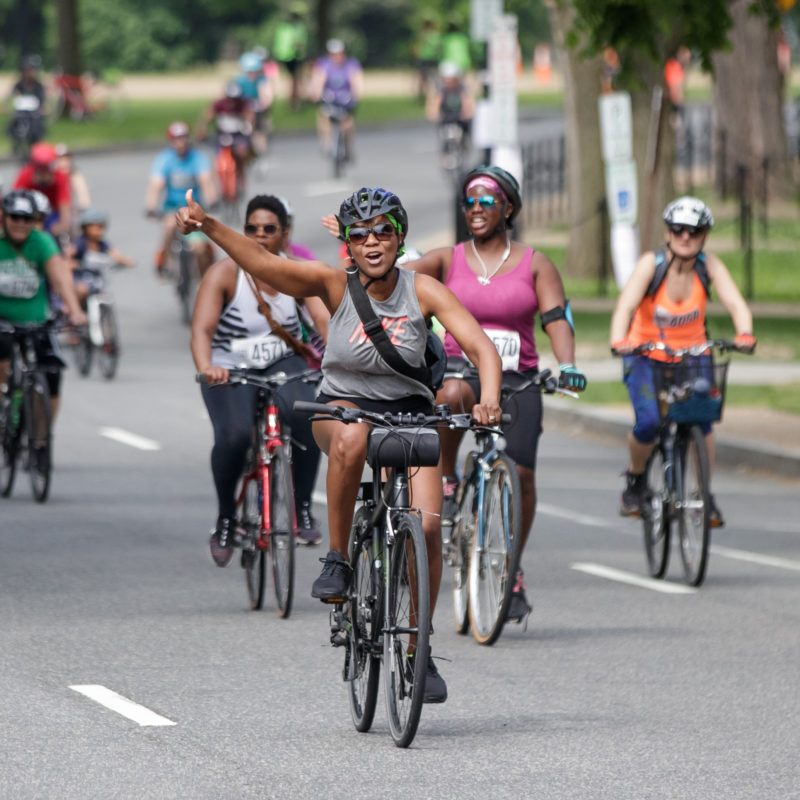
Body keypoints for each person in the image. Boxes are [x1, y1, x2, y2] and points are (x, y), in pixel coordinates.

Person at [177, 185, 503, 703]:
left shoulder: (424, 291)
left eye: (383, 232)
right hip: (341, 411)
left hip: (409, 417)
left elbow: (482, 346)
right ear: (347, 245)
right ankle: (338, 559)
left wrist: (487, 398)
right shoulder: (332, 283)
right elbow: (263, 263)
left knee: (431, 531)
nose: (372, 243)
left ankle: (419, 647)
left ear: (400, 238)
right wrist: (209, 225)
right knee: (351, 436)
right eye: (359, 235)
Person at [404, 165, 588, 623]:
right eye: (470, 202)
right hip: (461, 372)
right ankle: (446, 478)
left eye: (487, 201)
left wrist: (566, 367)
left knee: (523, 476)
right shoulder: (447, 259)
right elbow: (398, 277)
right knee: (447, 395)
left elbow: (556, 319)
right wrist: (365, 251)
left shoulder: (535, 263)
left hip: (517, 380)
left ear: (509, 208)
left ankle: (511, 567)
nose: (476, 209)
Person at [191, 194, 329, 564]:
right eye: (251, 228)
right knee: (234, 435)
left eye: (269, 229)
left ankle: (301, 509)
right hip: (229, 369)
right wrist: (207, 367)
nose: (259, 236)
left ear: (285, 234)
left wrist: (336, 361)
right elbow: (202, 330)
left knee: (307, 414)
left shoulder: (296, 270)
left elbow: (323, 321)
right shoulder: (224, 273)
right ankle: (225, 518)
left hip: (283, 364)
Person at [610, 196, 756, 527]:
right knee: (648, 422)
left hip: (693, 355)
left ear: (704, 235)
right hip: (645, 356)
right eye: (678, 229)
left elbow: (736, 303)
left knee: (703, 421)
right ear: (667, 233)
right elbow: (625, 306)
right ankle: (635, 482)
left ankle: (705, 495)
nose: (685, 237)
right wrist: (619, 341)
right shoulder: (652, 264)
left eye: (694, 230)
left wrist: (744, 333)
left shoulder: (710, 266)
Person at [0, 190, 86, 458]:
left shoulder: (42, 242)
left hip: (36, 320)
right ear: (4, 218)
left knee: (51, 376)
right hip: (2, 322)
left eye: (27, 218)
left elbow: (60, 276)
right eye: (15, 217)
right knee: (3, 367)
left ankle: (40, 440)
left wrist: (74, 309)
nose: (20, 223)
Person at [144, 121, 217, 278]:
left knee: (199, 248)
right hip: (172, 207)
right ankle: (166, 261)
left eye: (183, 138)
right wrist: (151, 206)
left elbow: (206, 181)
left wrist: (212, 200)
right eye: (176, 139)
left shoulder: (198, 158)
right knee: (170, 225)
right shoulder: (164, 159)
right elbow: (156, 186)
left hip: (193, 209)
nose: (180, 143)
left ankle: (205, 279)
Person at [310, 39, 363, 162]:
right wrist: (316, 93)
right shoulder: (324, 65)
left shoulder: (351, 64)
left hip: (346, 99)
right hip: (330, 98)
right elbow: (318, 80)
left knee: (347, 123)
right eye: (333, 54)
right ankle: (327, 144)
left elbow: (356, 80)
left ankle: (349, 148)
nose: (336, 56)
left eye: (339, 53)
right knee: (324, 115)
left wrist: (357, 94)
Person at [196, 82, 255, 191]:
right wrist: (202, 130)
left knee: (241, 153)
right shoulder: (220, 104)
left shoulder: (243, 104)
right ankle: (217, 185)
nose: (233, 101)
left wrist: (249, 127)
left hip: (238, 134)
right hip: (222, 134)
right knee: (217, 160)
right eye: (230, 98)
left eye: (235, 98)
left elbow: (249, 116)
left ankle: (241, 175)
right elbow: (208, 116)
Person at [70, 208, 134, 307]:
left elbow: (115, 254)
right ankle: (75, 312)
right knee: (81, 290)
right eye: (97, 227)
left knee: (106, 295)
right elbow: (68, 256)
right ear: (86, 227)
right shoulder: (80, 243)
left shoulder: (102, 244)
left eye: (102, 227)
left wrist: (127, 261)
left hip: (96, 280)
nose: (100, 231)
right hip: (81, 278)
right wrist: (74, 264)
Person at [13, 142, 72, 239]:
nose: (44, 177)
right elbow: (15, 203)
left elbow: (64, 206)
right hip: (29, 214)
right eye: (41, 173)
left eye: (47, 172)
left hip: (52, 213)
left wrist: (62, 226)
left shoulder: (60, 177)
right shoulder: (25, 176)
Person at [234, 51, 274, 155]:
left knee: (260, 130)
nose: (252, 74)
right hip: (244, 110)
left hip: (258, 110)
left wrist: (265, 101)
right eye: (249, 71)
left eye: (254, 71)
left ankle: (261, 150)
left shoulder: (262, 80)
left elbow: (266, 93)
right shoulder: (240, 81)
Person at [272, 4, 309, 111]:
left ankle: (294, 102)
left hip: (296, 57)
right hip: (287, 57)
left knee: (296, 81)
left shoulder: (298, 28)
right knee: (293, 81)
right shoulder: (285, 28)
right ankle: (293, 103)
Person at [426, 61, 474, 141]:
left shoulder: (461, 88)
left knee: (466, 126)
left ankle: (464, 139)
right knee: (441, 128)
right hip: (446, 115)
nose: (448, 81)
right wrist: (433, 113)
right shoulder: (440, 88)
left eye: (450, 78)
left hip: (459, 116)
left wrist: (467, 112)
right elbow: (435, 101)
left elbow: (466, 100)